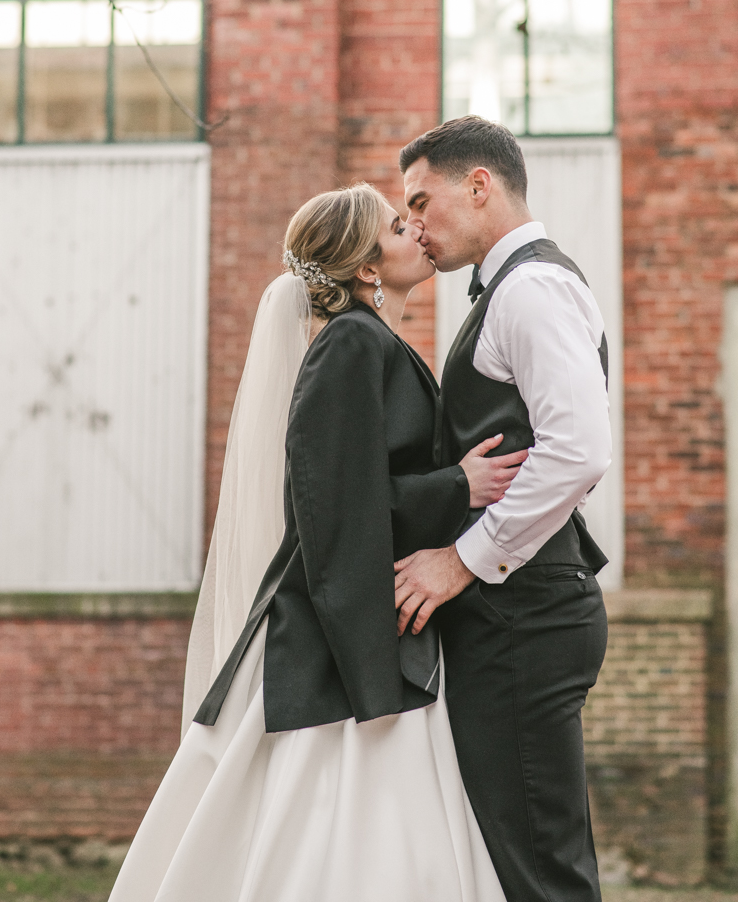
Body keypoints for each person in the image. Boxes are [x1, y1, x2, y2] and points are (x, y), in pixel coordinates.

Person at [108, 182, 525, 902]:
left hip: (370, 617)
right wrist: (458, 485)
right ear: (368, 266)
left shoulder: (375, 341)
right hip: (340, 637)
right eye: (399, 225)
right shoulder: (350, 344)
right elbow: (332, 504)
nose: (416, 231)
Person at [394, 115, 612, 902]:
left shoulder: (533, 288)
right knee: (515, 862)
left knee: (539, 875)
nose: (413, 225)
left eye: (421, 202)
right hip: (516, 616)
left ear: (478, 185)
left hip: (525, 618)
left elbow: (580, 449)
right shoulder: (514, 289)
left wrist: (462, 560)